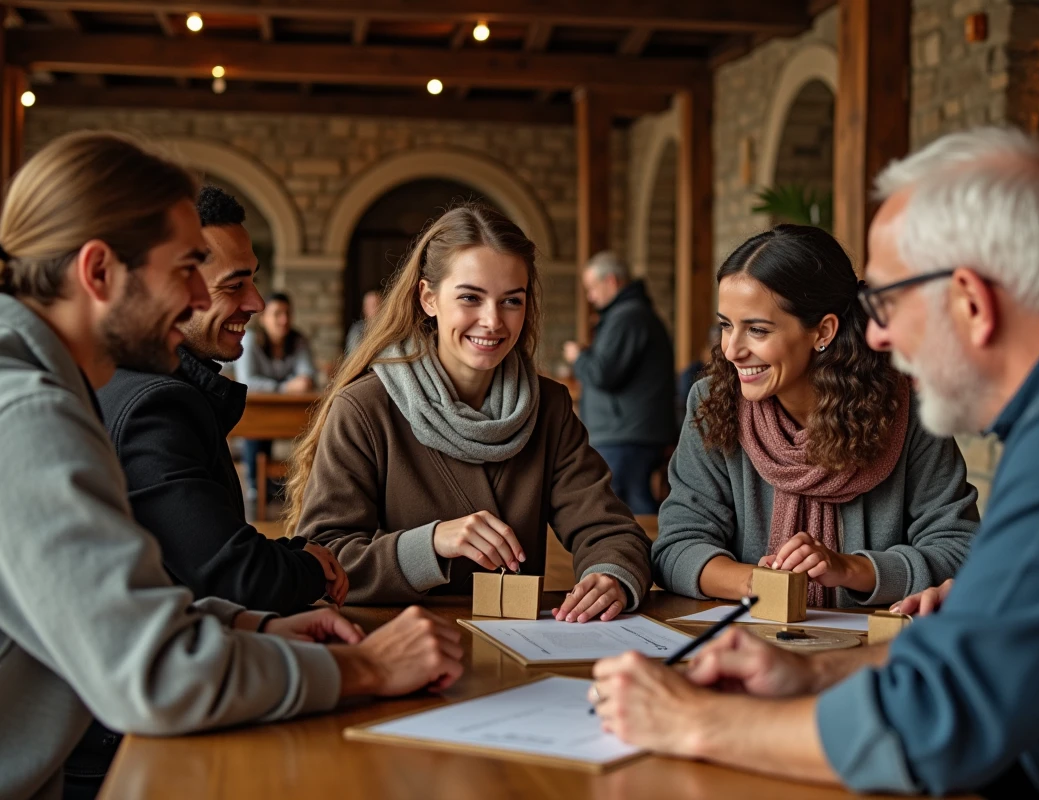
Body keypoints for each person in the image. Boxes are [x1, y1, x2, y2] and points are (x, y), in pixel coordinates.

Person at [589, 128, 1039, 796]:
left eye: (884, 301)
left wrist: (691, 721)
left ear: (969, 299)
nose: (874, 334)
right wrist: (816, 674)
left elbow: (939, 720)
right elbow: (980, 643)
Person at [0, 131, 463, 800]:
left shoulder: (44, 391)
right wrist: (364, 669)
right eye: (185, 268)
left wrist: (252, 625)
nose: (198, 297)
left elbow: (104, 607)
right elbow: (154, 676)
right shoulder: (27, 416)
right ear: (98, 273)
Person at [287, 205, 653, 622]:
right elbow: (321, 559)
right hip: (396, 646)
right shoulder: (364, 409)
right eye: (470, 298)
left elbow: (610, 530)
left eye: (511, 301)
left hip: (518, 649)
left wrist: (610, 575)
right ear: (428, 298)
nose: (492, 321)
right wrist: (430, 544)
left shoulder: (548, 406)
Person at [653, 225, 978, 609]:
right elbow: (675, 548)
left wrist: (850, 569)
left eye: (756, 330)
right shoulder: (712, 402)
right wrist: (766, 584)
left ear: (822, 331)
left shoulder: (906, 408)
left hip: (877, 651)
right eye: (726, 326)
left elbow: (962, 550)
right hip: (747, 641)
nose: (731, 350)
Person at [97, 185, 348, 615]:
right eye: (234, 285)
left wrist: (290, 556)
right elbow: (235, 577)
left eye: (253, 279)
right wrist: (306, 569)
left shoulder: (141, 381)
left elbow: (194, 551)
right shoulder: (155, 405)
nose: (257, 302)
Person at [563, 251, 676, 514]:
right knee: (629, 503)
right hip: (631, 432)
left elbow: (604, 374)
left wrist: (579, 357)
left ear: (611, 281)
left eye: (592, 288)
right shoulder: (633, 314)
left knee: (621, 508)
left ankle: (642, 555)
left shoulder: (627, 316)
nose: (591, 297)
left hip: (626, 435)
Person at [233, 291, 316, 503]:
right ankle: (254, 485)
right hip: (256, 408)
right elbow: (247, 382)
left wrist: (297, 383)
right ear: (263, 318)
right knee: (256, 426)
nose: (284, 320)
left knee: (312, 428)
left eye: (288, 313)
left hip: (289, 410)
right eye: (277, 314)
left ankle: (304, 484)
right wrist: (285, 386)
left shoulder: (298, 340)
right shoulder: (249, 340)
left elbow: (307, 377)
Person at [345, 289, 380, 355]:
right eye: (372, 305)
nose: (377, 308)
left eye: (378, 304)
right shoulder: (357, 331)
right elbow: (354, 356)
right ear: (365, 308)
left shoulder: (388, 329)